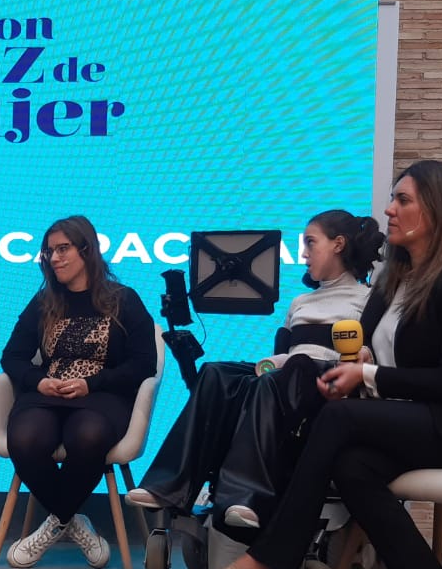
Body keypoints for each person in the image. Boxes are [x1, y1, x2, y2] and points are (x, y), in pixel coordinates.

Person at [188, 160, 442, 569]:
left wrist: (368, 373)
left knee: (342, 420)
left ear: (441, 208)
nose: (388, 210)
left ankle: (270, 559)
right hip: (423, 420)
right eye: (393, 199)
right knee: (352, 466)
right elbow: (377, 350)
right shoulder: (396, 281)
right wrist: (361, 363)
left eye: (403, 200)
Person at [126, 209, 383, 530]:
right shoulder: (301, 302)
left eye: (310, 243)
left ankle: (245, 497)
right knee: (214, 373)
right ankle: (168, 486)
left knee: (295, 367)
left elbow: (369, 357)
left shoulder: (369, 299)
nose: (303, 253)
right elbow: (284, 356)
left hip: (328, 387)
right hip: (288, 379)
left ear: (338, 244)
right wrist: (270, 366)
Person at [0, 215, 158, 569]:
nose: (53, 258)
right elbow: (11, 356)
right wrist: (38, 380)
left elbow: (144, 364)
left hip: (103, 397)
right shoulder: (44, 302)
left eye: (63, 249)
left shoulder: (124, 300)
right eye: (49, 251)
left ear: (87, 251)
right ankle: (71, 520)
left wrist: (92, 382)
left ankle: (54, 522)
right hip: (46, 394)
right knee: (24, 438)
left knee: (87, 435)